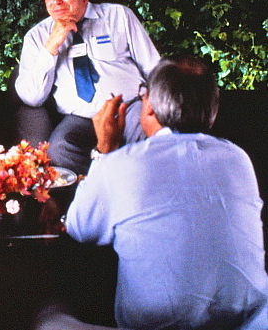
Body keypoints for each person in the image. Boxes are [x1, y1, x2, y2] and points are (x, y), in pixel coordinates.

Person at [54, 56, 268, 330]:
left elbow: (78, 228)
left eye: (143, 95)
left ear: (151, 108)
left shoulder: (123, 163)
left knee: (50, 313)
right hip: (249, 321)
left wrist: (105, 150)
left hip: (155, 325)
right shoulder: (238, 159)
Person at [14, 0, 160, 174]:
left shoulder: (118, 16)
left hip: (127, 108)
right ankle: (101, 194)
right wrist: (52, 46)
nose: (55, 2)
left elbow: (153, 66)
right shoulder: (37, 37)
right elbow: (31, 97)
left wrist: (153, 105)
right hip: (81, 119)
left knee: (154, 139)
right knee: (59, 151)